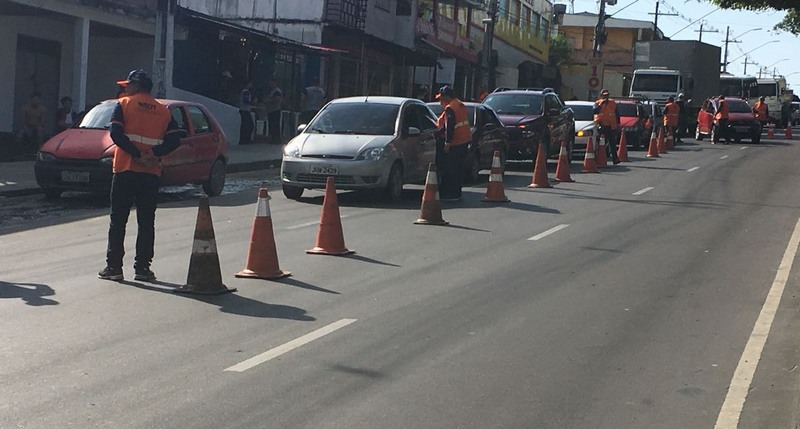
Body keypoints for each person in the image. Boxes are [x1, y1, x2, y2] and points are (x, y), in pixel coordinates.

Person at [98, 69, 183, 282]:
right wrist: (152, 154)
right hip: (151, 172)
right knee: (146, 222)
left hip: (126, 169)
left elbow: (116, 134)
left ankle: (114, 268)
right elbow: (175, 140)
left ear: (136, 85)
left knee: (118, 220)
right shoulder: (163, 111)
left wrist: (136, 154)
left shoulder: (124, 104)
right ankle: (143, 269)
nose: (125, 88)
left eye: (128, 84)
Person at [435, 85, 472, 201]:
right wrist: (436, 133)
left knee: (451, 169)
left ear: (446, 97)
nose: (440, 101)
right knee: (458, 169)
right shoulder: (460, 105)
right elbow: (449, 126)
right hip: (464, 141)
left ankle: (451, 194)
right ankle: (457, 193)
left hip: (455, 143)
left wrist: (447, 142)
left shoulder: (450, 108)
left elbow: (450, 126)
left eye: (441, 98)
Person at [592, 89, 621, 164]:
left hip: (611, 126)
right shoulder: (598, 102)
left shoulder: (612, 103)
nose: (606, 97)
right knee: (598, 143)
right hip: (601, 125)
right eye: (604, 95)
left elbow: (617, 113)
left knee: (612, 143)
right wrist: (601, 104)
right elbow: (595, 111)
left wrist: (618, 124)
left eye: (607, 95)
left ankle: (615, 159)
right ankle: (596, 158)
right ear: (601, 95)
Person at [265, 78, 283, 144]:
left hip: (275, 110)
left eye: (271, 83)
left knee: (275, 125)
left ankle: (276, 139)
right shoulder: (272, 91)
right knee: (272, 125)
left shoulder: (276, 91)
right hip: (271, 110)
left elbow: (277, 99)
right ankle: (273, 139)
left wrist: (268, 101)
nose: (270, 84)